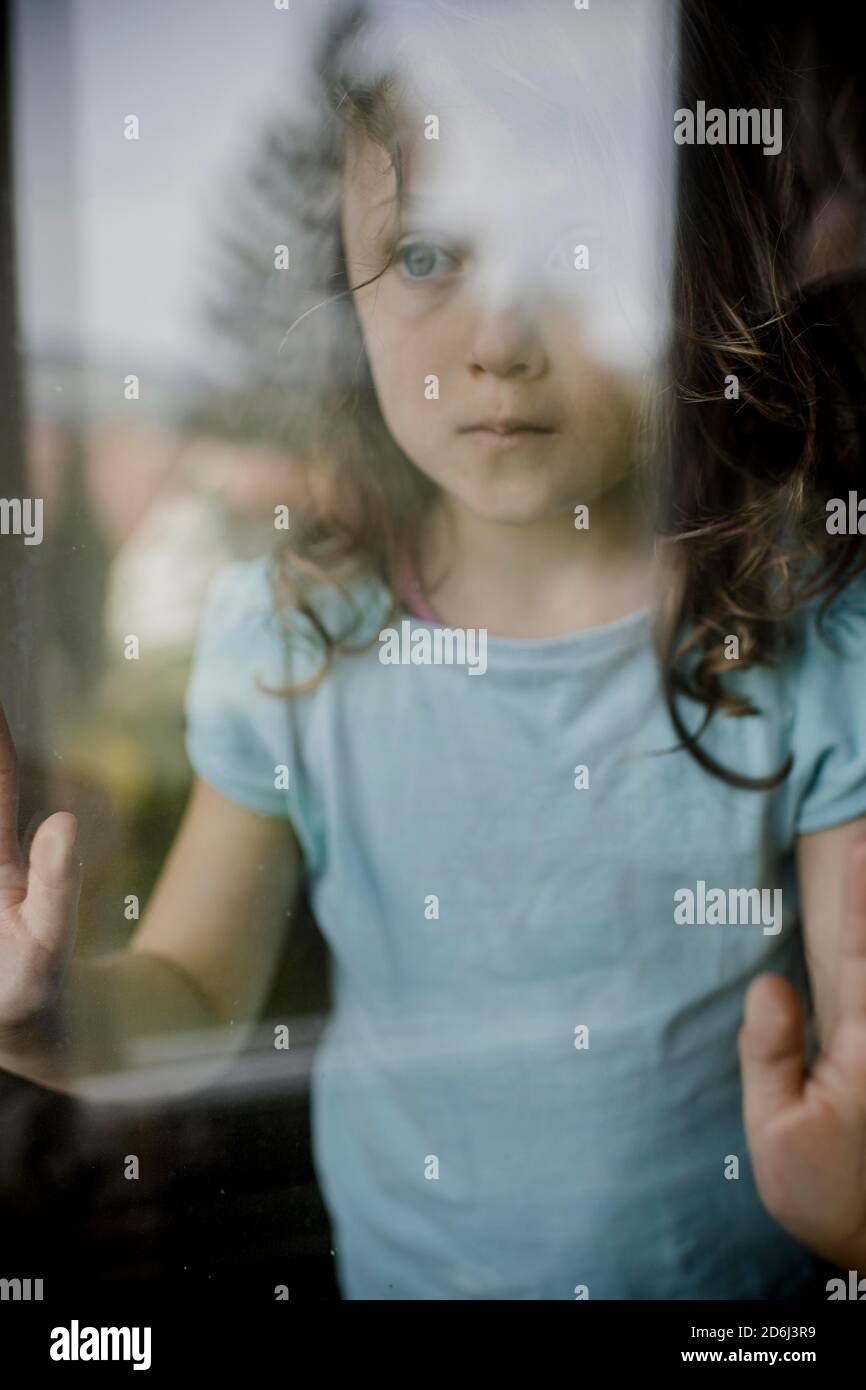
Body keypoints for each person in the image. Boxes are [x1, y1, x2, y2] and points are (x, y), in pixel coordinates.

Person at [2, 0, 866, 1299]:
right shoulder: (297, 634)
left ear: (685, 267)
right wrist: (53, 1013)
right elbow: (189, 982)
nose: (497, 338)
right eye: (422, 254)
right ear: (343, 290)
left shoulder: (803, 630)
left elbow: (853, 1068)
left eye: (571, 247)